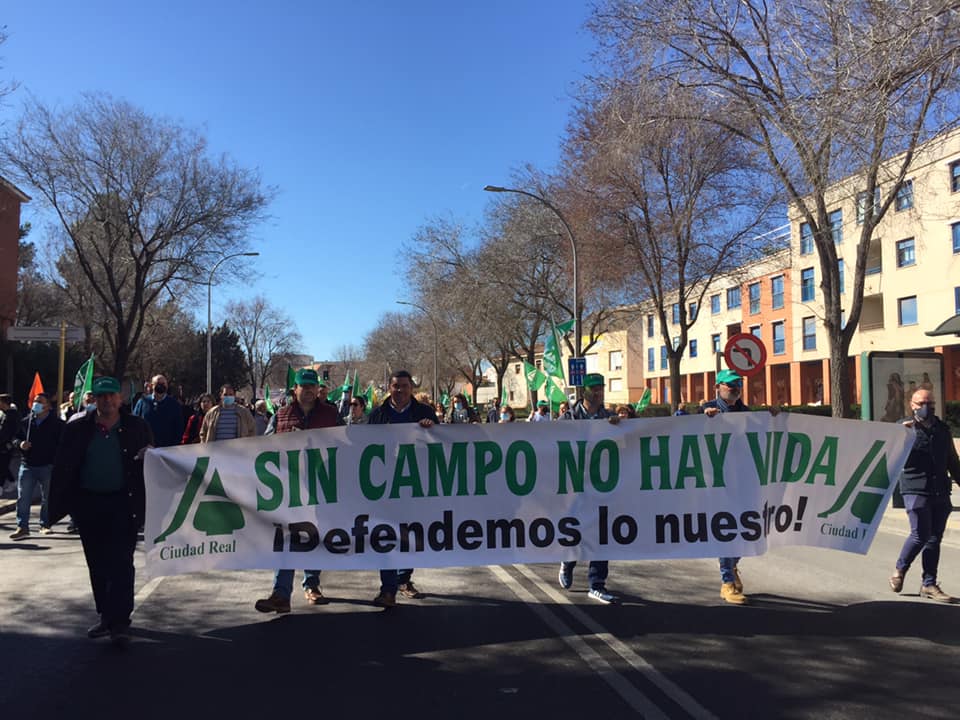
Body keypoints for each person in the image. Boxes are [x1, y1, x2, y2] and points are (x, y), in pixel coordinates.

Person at [49, 377, 153, 646]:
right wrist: (63, 504)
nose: (107, 401)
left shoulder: (136, 426)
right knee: (97, 564)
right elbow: (63, 464)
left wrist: (150, 454)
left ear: (121, 398)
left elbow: (153, 456)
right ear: (93, 399)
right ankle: (106, 616)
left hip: (123, 505)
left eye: (112, 396)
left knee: (121, 563)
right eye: (101, 396)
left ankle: (120, 622)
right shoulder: (77, 427)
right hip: (88, 505)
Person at [255, 369, 340, 614]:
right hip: (289, 488)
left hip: (321, 486)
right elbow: (265, 447)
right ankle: (281, 594)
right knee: (287, 539)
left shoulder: (331, 414)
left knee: (313, 536)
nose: (310, 390)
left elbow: (347, 443)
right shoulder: (281, 415)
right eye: (305, 386)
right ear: (296, 389)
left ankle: (312, 584)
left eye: (313, 386)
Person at [703, 368, 779, 605]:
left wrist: (775, 418)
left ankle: (732, 564)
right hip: (716, 484)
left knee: (748, 529)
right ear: (717, 387)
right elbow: (678, 429)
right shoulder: (705, 411)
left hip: (744, 482)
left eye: (738, 384)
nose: (735, 388)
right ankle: (727, 582)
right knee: (726, 530)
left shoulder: (746, 413)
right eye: (730, 385)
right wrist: (703, 418)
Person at [367, 370, 438, 608]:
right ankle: (388, 589)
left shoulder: (424, 413)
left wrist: (431, 429)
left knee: (411, 534)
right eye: (396, 386)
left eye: (405, 386)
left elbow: (443, 442)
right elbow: (364, 445)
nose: (400, 390)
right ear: (389, 387)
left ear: (412, 388)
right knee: (385, 535)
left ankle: (403, 578)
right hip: (385, 484)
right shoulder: (377, 415)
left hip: (416, 483)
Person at [889, 388, 960, 603]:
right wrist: (901, 436)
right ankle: (899, 570)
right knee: (920, 534)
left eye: (930, 403)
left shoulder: (942, 429)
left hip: (940, 490)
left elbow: (952, 460)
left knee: (934, 538)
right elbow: (890, 455)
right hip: (914, 488)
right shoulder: (904, 428)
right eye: (921, 403)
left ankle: (929, 583)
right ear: (912, 405)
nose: (926, 407)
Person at [557, 373, 621, 603]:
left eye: (601, 388)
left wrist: (620, 425)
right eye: (594, 388)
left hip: (602, 484)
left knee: (600, 532)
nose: (598, 392)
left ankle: (597, 584)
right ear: (584, 391)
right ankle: (568, 560)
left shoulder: (610, 417)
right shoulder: (568, 418)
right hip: (575, 484)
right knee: (575, 529)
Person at [9, 393, 64, 539]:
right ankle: (22, 526)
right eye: (35, 401)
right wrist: (20, 444)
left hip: (47, 465)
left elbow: (62, 444)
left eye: (40, 402)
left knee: (47, 498)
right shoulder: (25, 422)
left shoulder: (57, 424)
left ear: (48, 406)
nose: (36, 404)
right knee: (23, 498)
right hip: (27, 465)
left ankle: (45, 524)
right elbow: (14, 438)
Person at [132, 373, 184, 447]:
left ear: (167, 386)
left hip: (167, 450)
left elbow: (179, 428)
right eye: (158, 383)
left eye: (163, 383)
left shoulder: (174, 405)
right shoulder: (142, 402)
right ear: (152, 385)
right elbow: (134, 423)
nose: (161, 386)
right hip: (146, 449)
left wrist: (173, 446)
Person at [0, 393, 20, 495]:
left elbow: (9, 432)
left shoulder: (11, 415)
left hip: (6, 445)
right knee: (3, 465)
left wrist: (6, 442)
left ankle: (1, 485)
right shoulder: (4, 414)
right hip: (3, 444)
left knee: (3, 465)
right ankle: (12, 482)